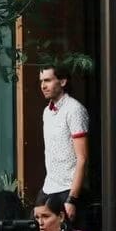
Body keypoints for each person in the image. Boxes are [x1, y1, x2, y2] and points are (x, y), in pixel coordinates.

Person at [39, 63, 89, 220]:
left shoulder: (74, 109)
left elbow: (82, 158)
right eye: (41, 81)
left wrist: (71, 198)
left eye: (48, 80)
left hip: (68, 188)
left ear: (62, 82)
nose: (43, 86)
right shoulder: (47, 112)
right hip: (49, 187)